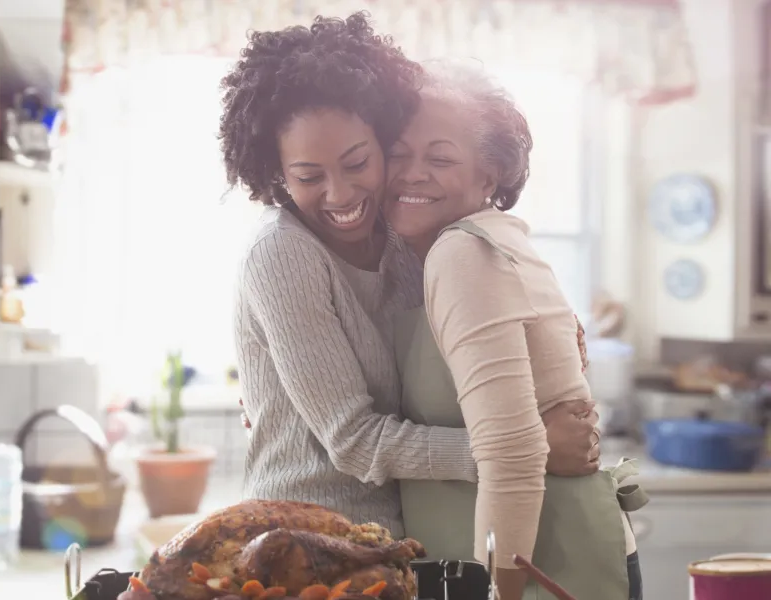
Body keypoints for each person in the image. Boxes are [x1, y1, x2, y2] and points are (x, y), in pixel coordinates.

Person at [220, 12, 601, 541]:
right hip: (306, 542)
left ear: (381, 141)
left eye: (357, 163)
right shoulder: (282, 254)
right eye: (309, 176)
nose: (340, 194)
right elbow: (352, 440)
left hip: (404, 540)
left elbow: (477, 335)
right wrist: (524, 447)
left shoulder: (406, 237)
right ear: (275, 174)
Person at [384, 60, 646, 600]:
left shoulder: (463, 252)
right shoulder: (468, 246)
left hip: (536, 568)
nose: (411, 173)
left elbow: (513, 455)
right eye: (398, 154)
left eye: (440, 158)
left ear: (489, 176)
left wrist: (493, 592)